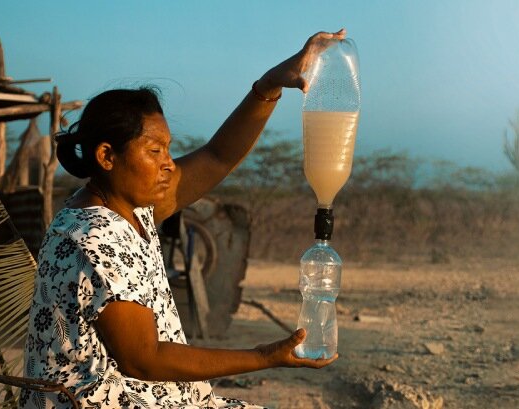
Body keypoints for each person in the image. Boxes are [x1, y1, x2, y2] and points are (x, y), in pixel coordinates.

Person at [21, 29, 345, 409]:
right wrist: (264, 356)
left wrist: (271, 84)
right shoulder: (94, 238)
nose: (168, 163)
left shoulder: (128, 209)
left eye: (168, 148)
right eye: (154, 150)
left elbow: (218, 157)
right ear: (107, 156)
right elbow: (142, 358)